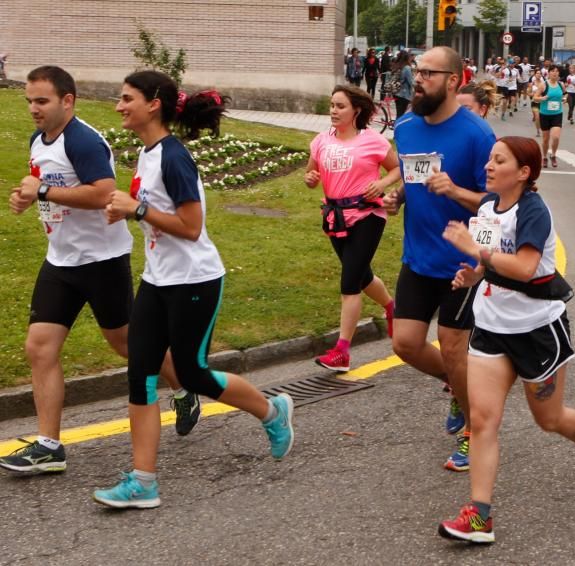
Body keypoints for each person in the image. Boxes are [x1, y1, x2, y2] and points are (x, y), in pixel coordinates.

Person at [93, 70, 294, 509]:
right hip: (157, 279)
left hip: (194, 281)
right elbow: (151, 211)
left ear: (154, 104)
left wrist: (137, 209)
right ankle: (143, 482)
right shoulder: (147, 154)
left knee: (192, 374)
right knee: (141, 375)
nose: (119, 106)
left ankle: (272, 411)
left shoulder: (173, 157)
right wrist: (128, 211)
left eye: (127, 98)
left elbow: (191, 226)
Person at [2, 66, 198, 475]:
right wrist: (28, 197)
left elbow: (104, 193)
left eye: (42, 101)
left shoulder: (84, 141)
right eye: (30, 102)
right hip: (61, 260)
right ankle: (49, 447)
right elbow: (45, 186)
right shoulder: (39, 141)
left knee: (126, 343)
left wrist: (43, 190)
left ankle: (183, 387)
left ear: (67, 100)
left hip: (101, 262)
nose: (34, 109)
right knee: (39, 347)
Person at [437, 136, 575, 544]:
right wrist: (473, 274)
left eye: (499, 161)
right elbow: (491, 263)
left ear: (524, 171)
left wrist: (478, 253)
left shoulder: (534, 211)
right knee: (482, 421)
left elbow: (528, 268)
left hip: (536, 331)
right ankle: (480, 516)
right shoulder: (485, 207)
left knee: (548, 420)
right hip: (491, 326)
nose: (488, 167)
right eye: (490, 160)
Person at [383, 46, 495, 472]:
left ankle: (472, 429)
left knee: (453, 348)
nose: (419, 79)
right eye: (418, 71)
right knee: (405, 344)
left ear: (453, 80)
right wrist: (397, 197)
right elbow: (413, 181)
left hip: (461, 266)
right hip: (419, 256)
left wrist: (457, 192)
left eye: (429, 72)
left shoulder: (477, 135)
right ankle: (456, 386)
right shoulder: (408, 127)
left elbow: (500, 201)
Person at [304, 85, 399, 371]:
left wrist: (381, 184)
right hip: (336, 216)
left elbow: (397, 169)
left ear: (356, 110)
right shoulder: (321, 141)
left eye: (340, 106)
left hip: (367, 215)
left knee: (349, 282)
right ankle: (392, 308)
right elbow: (312, 173)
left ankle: (342, 352)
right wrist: (310, 178)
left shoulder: (373, 141)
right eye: (332, 105)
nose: (333, 110)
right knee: (362, 275)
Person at [535, 66, 565, 168]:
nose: (555, 73)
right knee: (545, 139)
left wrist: (564, 99)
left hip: (557, 114)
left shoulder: (561, 84)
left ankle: (553, 155)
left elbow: (565, 94)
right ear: (549, 73)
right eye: (553, 71)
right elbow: (535, 98)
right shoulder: (544, 85)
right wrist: (542, 98)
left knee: (556, 137)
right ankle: (544, 157)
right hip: (545, 114)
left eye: (557, 71)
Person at [394, 51, 414, 119]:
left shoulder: (397, 66)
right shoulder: (407, 68)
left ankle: (396, 126)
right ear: (407, 58)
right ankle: (398, 128)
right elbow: (411, 82)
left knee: (399, 113)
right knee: (401, 115)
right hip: (404, 95)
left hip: (396, 93)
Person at [529, 69, 544, 137]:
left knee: (542, 118)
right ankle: (538, 131)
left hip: (542, 102)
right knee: (537, 117)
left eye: (540, 73)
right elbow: (529, 93)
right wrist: (532, 94)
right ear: (535, 75)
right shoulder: (532, 83)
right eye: (537, 73)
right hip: (535, 102)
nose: (538, 74)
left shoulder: (544, 84)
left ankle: (543, 128)